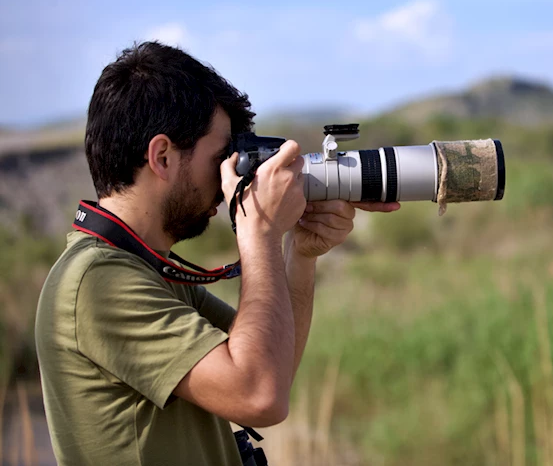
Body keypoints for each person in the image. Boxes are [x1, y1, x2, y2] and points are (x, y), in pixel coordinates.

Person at [34, 41, 400, 465]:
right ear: (163, 157)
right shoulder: (97, 282)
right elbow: (258, 396)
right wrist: (260, 232)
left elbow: (272, 369)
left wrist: (299, 256)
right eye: (220, 157)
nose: (230, 179)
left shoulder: (147, 269)